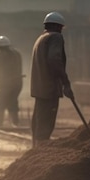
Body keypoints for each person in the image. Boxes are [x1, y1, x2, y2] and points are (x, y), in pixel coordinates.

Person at [30, 12, 74, 147]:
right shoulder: (55, 37)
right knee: (46, 121)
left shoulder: (41, 38)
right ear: (56, 26)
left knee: (38, 119)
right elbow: (54, 59)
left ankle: (35, 150)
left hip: (39, 88)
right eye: (60, 27)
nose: (61, 30)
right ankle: (41, 151)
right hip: (49, 88)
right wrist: (66, 83)